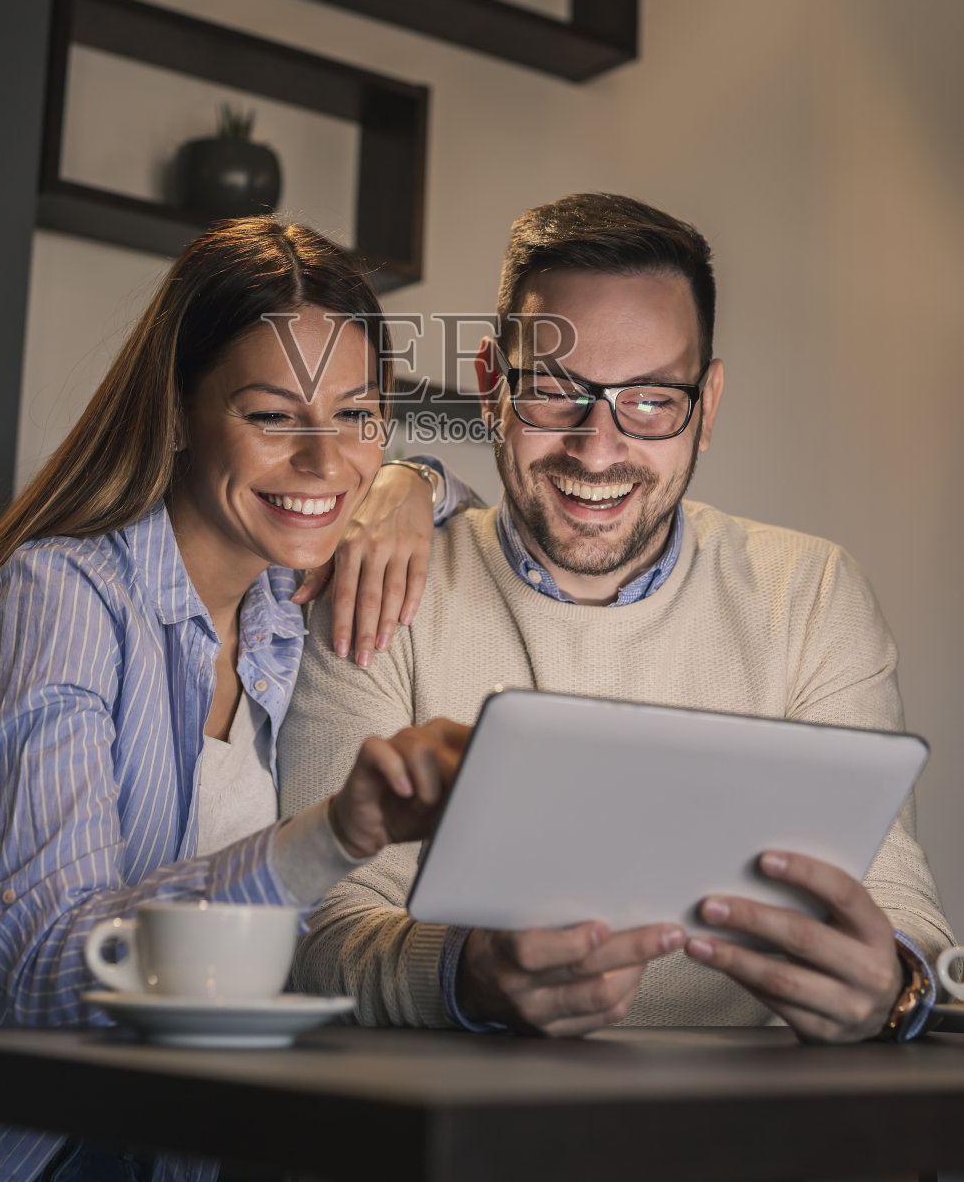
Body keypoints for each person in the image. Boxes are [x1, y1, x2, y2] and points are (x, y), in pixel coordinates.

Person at [279, 192, 952, 1044]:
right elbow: (307, 923)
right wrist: (465, 976)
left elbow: (901, 909)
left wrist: (892, 985)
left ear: (704, 407)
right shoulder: (384, 580)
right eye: (555, 391)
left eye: (648, 400)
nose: (596, 448)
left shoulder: (809, 591)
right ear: (492, 386)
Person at [0, 217, 468, 1182]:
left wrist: (413, 480)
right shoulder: (62, 597)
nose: (326, 464)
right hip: (2, 1159)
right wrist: (330, 835)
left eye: (359, 415)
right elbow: (55, 969)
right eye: (272, 416)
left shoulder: (281, 606)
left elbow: (465, 502)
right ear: (175, 411)